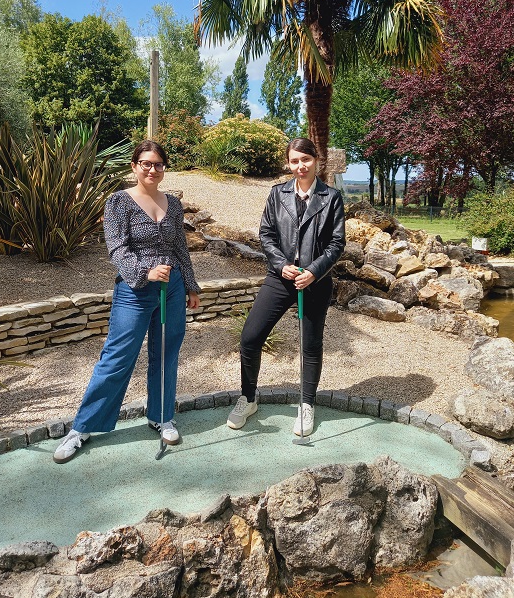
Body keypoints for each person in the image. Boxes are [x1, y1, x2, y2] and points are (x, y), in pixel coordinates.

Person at [53, 140, 200, 463]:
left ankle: (161, 416)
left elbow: (180, 248)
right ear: (134, 166)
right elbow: (117, 248)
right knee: (117, 357)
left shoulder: (173, 204)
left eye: (158, 164)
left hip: (173, 289)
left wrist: (191, 286)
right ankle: (82, 428)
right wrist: (146, 272)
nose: (152, 169)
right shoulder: (119, 201)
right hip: (135, 291)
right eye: (146, 163)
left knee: (167, 353)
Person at [227, 137, 345, 437]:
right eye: (294, 161)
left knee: (310, 345)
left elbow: (336, 243)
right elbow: (266, 234)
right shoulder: (277, 193)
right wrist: (281, 264)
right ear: (288, 164)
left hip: (314, 282)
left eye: (306, 159)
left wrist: (314, 272)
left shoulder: (331, 197)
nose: (300, 166)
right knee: (250, 337)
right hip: (280, 278)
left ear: (316, 160)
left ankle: (307, 404)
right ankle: (248, 398)